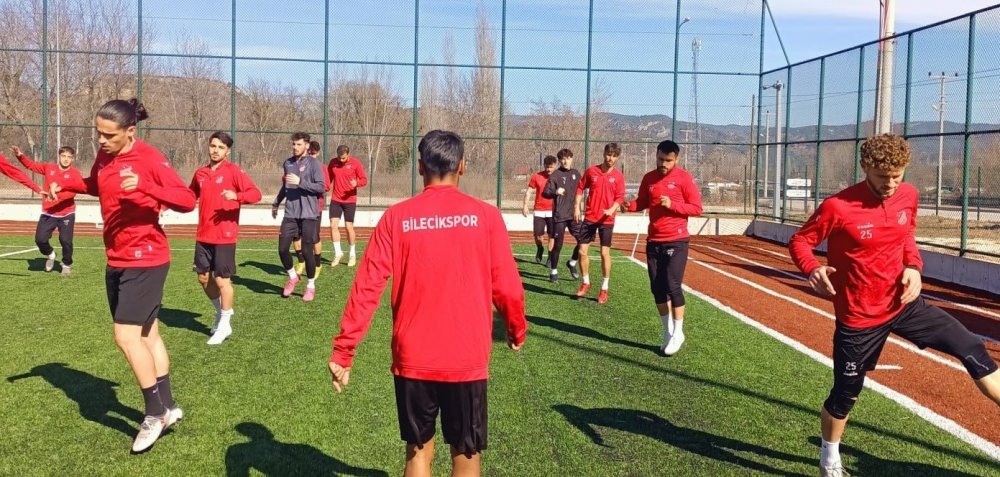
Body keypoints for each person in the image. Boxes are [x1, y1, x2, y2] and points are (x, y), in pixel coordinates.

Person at [788, 134, 1000, 477]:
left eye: (897, 176)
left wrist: (914, 268)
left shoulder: (909, 196)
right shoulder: (838, 206)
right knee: (845, 397)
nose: (890, 184)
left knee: (971, 346)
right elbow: (801, 241)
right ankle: (829, 459)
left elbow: (906, 237)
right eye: (881, 177)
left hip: (904, 305)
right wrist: (812, 268)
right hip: (859, 318)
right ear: (865, 168)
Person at [328, 130, 526, 477]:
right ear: (461, 166)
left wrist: (344, 350)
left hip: (413, 356)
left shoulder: (396, 218)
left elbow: (367, 287)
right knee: (466, 455)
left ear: (420, 167)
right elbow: (508, 287)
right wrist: (515, 328)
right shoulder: (486, 216)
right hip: (465, 356)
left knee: (417, 453)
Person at [52, 98, 196, 453]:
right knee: (148, 334)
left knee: (125, 336)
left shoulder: (149, 158)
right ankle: (170, 405)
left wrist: (147, 188)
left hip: (146, 258)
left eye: (109, 135)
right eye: (98, 133)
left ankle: (153, 414)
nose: (101, 140)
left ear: (130, 132)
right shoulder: (104, 156)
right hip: (116, 257)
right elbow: (98, 185)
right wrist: (68, 185)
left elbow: (187, 199)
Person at [623, 140, 702, 355]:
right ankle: (667, 331)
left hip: (676, 240)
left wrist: (673, 205)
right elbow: (642, 202)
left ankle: (679, 332)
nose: (663, 164)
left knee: (672, 284)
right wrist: (628, 206)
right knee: (656, 288)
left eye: (668, 160)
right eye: (660, 159)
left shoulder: (684, 179)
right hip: (654, 240)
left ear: (676, 159)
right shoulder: (649, 178)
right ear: (656, 156)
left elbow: (696, 208)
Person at [189, 132, 261, 345]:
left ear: (227, 151)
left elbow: (255, 194)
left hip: (224, 235)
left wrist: (237, 196)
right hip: (203, 234)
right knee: (203, 278)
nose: (215, 150)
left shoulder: (234, 172)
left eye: (220, 147)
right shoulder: (200, 173)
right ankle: (221, 312)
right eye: (213, 146)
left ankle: (225, 323)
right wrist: (164, 204)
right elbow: (189, 195)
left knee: (222, 280)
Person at [3, 146, 82, 274]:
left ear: (73, 159)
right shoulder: (49, 168)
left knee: (66, 240)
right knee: (40, 239)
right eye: (63, 156)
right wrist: (20, 155)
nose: (66, 159)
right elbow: (31, 166)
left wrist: (55, 195)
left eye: (69, 157)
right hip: (49, 212)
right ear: (59, 156)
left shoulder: (75, 173)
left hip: (66, 213)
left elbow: (73, 192)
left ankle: (66, 264)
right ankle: (50, 254)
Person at [271, 132, 326, 301]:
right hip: (291, 213)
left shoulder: (314, 163)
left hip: (309, 214)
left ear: (307, 146)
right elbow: (286, 186)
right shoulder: (287, 163)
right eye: (294, 144)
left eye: (299, 144)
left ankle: (310, 286)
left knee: (307, 252)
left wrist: (300, 182)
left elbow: (321, 187)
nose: (295, 147)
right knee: (282, 249)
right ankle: (293, 276)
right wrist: (276, 202)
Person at [573, 143, 625, 304]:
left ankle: (604, 288)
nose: (611, 158)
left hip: (607, 220)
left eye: (614, 155)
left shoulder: (618, 176)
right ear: (604, 154)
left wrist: (612, 208)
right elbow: (580, 187)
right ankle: (586, 282)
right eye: (609, 154)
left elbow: (620, 197)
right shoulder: (592, 171)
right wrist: (577, 207)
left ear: (618, 157)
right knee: (582, 252)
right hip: (590, 218)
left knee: (604, 253)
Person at [281, 140, 331, 278]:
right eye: (310, 153)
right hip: (296, 208)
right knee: (296, 237)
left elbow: (325, 186)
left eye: (314, 154)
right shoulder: (296, 164)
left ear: (318, 153)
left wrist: (303, 183)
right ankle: (301, 262)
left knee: (313, 238)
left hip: (314, 207)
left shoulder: (320, 167)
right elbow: (286, 181)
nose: (311, 156)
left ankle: (317, 264)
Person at [541, 148, 584, 282]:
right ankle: (553, 271)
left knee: (583, 241)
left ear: (572, 158)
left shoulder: (576, 174)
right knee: (558, 245)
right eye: (563, 159)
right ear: (559, 160)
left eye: (568, 158)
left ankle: (572, 262)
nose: (565, 161)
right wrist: (555, 191)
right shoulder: (555, 175)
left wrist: (579, 208)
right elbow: (545, 193)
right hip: (559, 216)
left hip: (574, 215)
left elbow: (581, 191)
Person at [327, 144, 368, 267]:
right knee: (333, 225)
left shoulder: (356, 164)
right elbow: (328, 179)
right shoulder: (333, 163)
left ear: (348, 155)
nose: (341, 160)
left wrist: (357, 183)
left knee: (348, 226)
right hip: (336, 199)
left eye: (343, 158)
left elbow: (364, 180)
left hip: (350, 200)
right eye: (339, 158)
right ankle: (338, 253)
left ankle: (352, 254)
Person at [522, 155, 557, 264]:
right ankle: (540, 248)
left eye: (551, 167)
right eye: (547, 167)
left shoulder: (558, 177)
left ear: (555, 166)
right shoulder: (536, 176)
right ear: (544, 166)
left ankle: (550, 257)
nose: (549, 169)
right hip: (539, 210)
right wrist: (525, 205)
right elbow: (529, 192)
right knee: (538, 235)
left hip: (553, 211)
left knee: (552, 235)